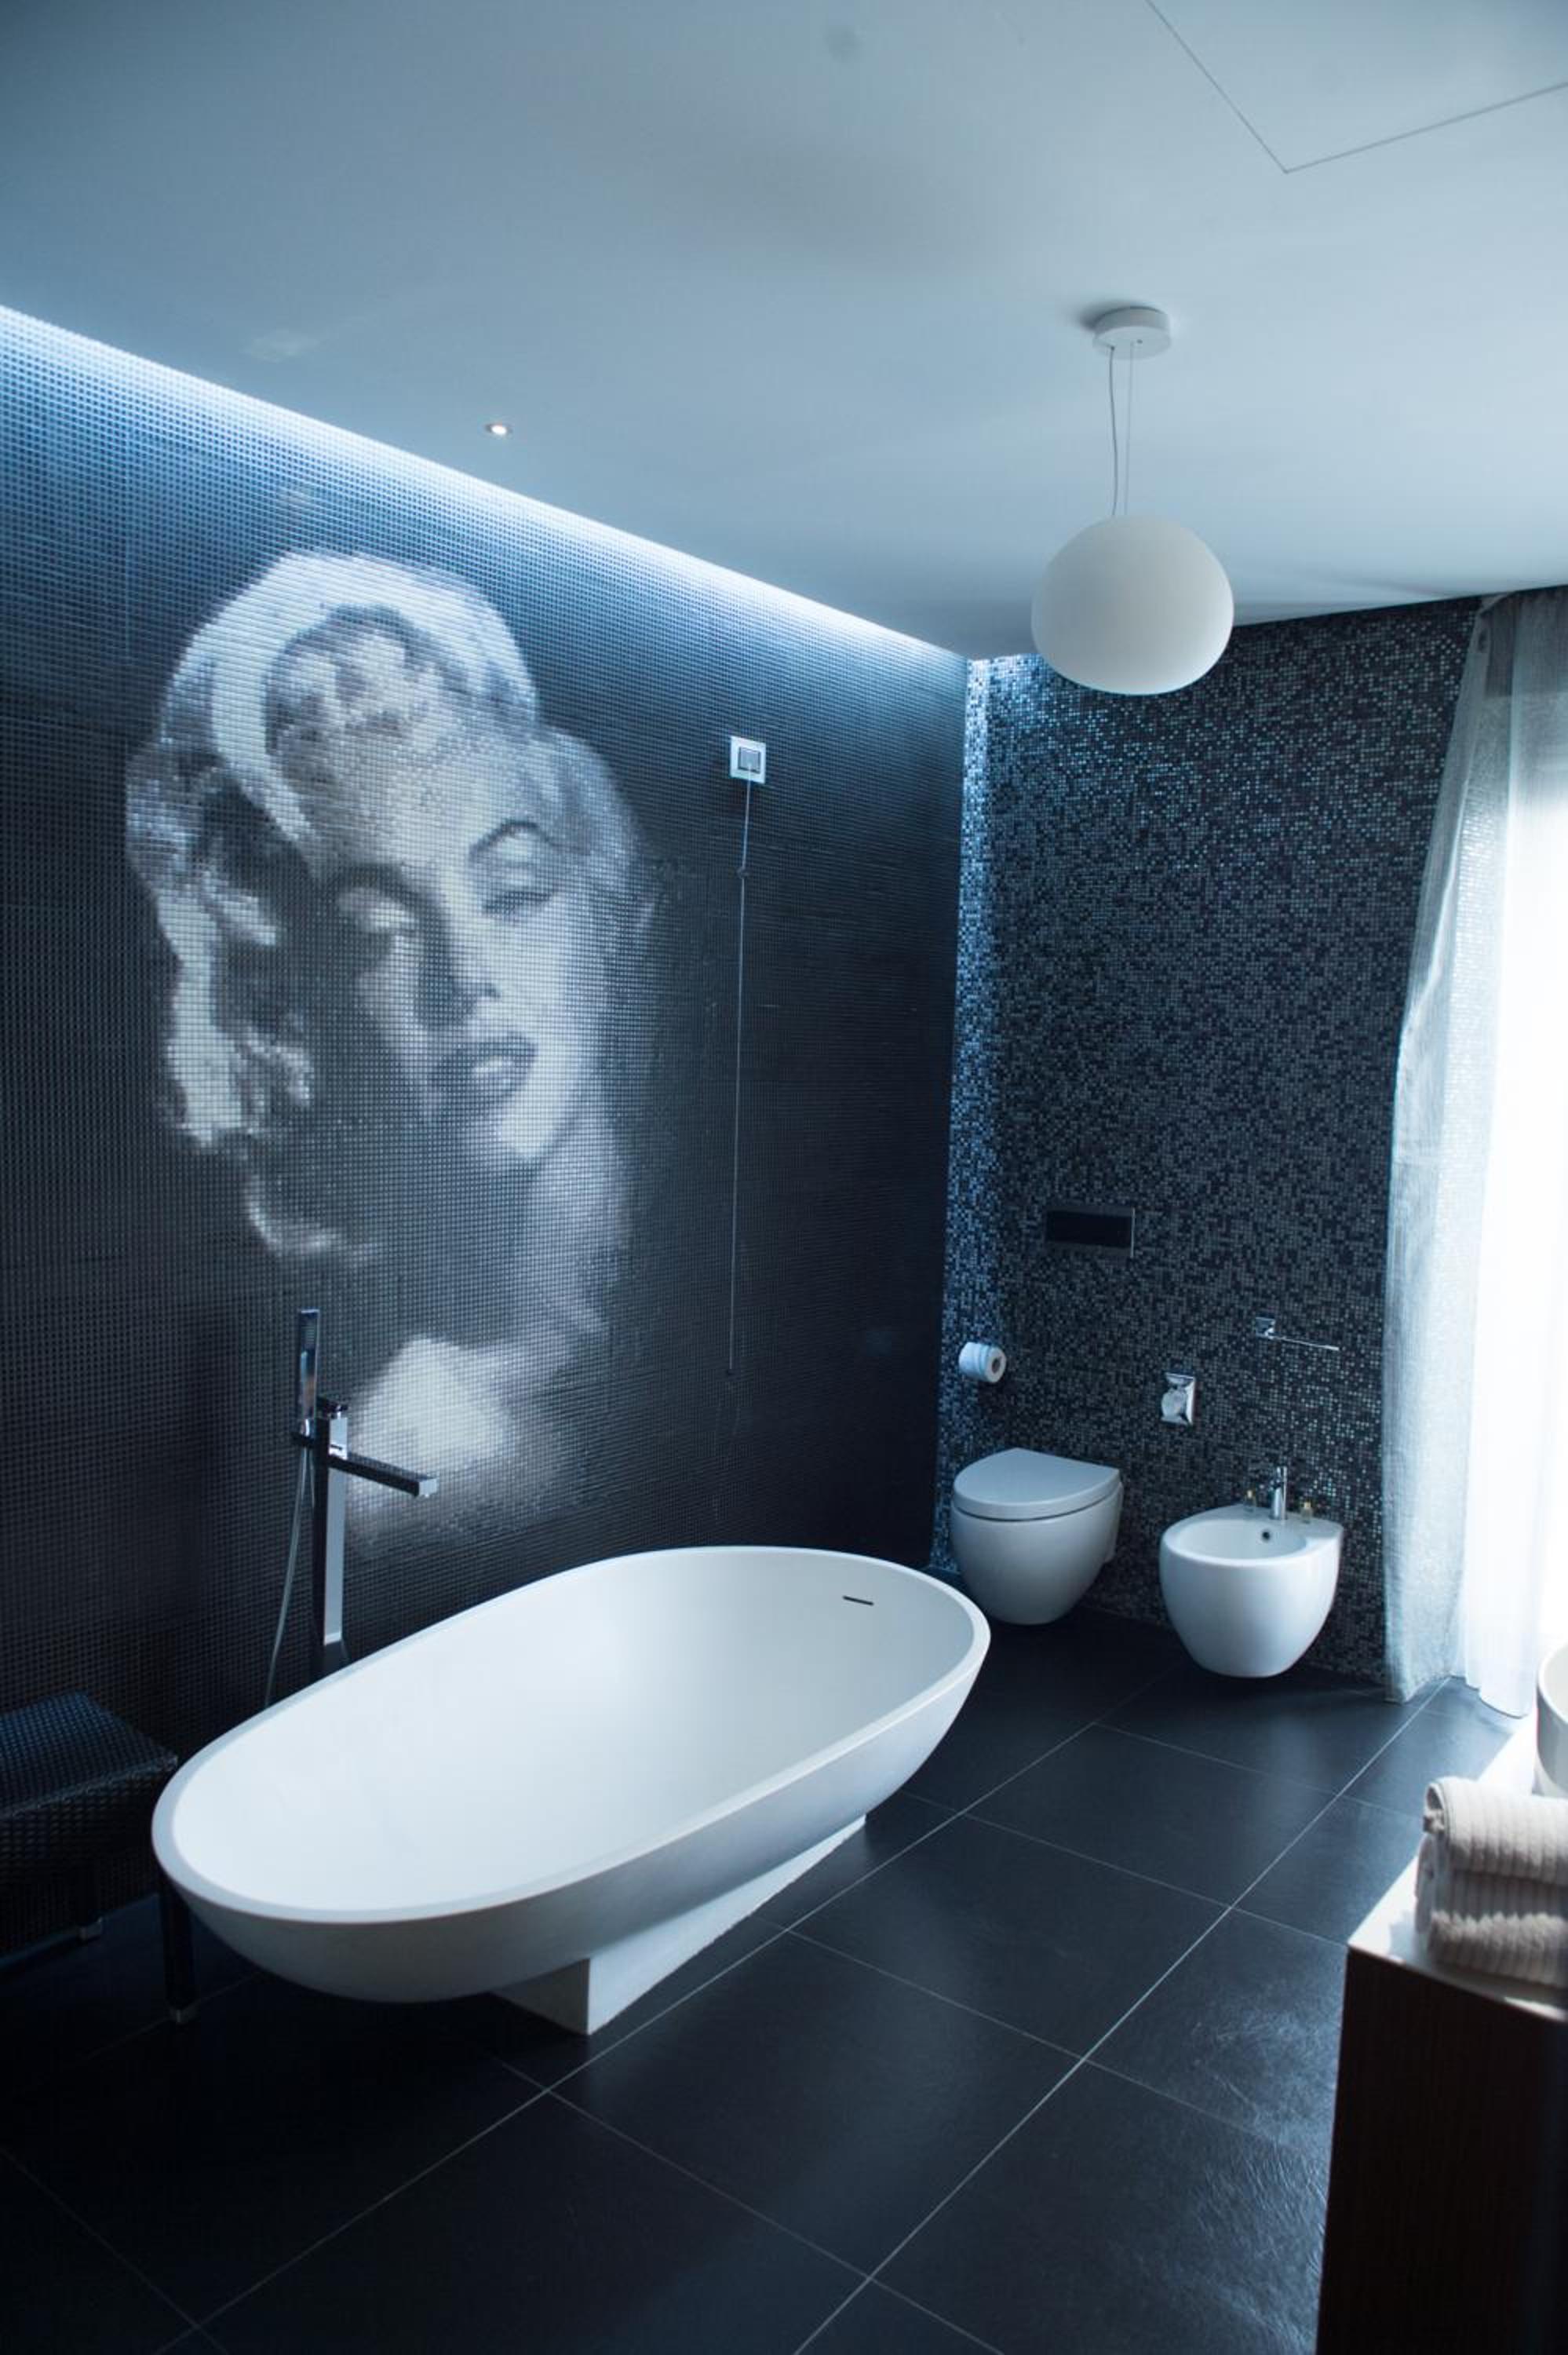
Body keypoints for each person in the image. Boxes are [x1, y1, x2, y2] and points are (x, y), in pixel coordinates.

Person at [127, 553, 651, 1535]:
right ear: (298, 1015)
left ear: (601, 898)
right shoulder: (415, 1443)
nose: (463, 978)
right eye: (381, 935)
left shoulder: (705, 1311)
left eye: (514, 894)